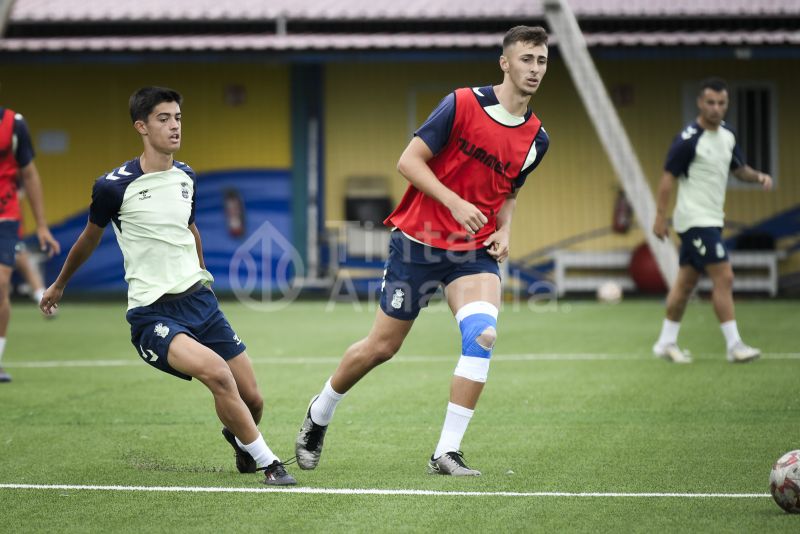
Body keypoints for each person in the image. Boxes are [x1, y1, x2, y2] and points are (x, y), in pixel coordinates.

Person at [295, 26, 550, 476]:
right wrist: (454, 201)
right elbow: (408, 162)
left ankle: (445, 452)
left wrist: (505, 230)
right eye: (526, 59)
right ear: (505, 63)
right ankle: (320, 411)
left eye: (542, 61)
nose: (534, 69)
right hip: (418, 244)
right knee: (381, 347)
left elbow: (509, 192)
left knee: (483, 337)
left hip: (473, 253)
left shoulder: (536, 138)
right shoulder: (462, 103)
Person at [39, 87, 296, 485]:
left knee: (253, 399)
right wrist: (59, 285)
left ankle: (242, 440)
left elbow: (190, 230)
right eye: (163, 118)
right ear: (141, 126)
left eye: (177, 118)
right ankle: (270, 464)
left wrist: (203, 277)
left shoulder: (187, 178)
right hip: (153, 313)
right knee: (217, 374)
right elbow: (89, 238)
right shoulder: (112, 186)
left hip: (200, 303)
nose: (174, 126)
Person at [652, 77, 773, 364]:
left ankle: (665, 342)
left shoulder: (728, 135)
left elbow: (738, 169)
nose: (716, 108)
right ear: (700, 103)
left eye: (721, 103)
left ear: (726, 104)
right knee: (725, 276)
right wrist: (660, 217)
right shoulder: (688, 139)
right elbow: (667, 178)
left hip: (713, 218)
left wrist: (758, 177)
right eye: (710, 102)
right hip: (694, 220)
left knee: (683, 286)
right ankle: (735, 346)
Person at [0, 100, 60, 383]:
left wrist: (42, 225)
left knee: (1, 283)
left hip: (5, 215)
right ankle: (38, 291)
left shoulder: (14, 125)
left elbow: (30, 174)